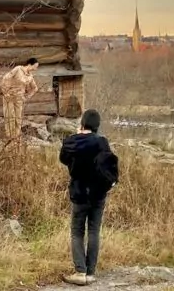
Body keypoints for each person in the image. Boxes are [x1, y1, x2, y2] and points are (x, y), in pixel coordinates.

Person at [59, 109, 119, 286]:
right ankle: (91, 273)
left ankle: (80, 272)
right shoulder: (101, 142)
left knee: (77, 232)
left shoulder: (71, 142)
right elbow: (109, 164)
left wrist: (77, 138)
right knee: (94, 231)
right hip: (98, 193)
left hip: (79, 193)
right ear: (97, 125)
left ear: (82, 123)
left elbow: (63, 159)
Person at [0, 58, 39, 140]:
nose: (36, 68)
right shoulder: (18, 69)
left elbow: (35, 88)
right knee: (10, 117)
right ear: (29, 64)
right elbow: (5, 78)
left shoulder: (30, 76)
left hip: (19, 98)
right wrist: (5, 92)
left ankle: (17, 136)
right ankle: (10, 137)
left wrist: (27, 97)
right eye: (35, 66)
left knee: (18, 118)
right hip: (9, 97)